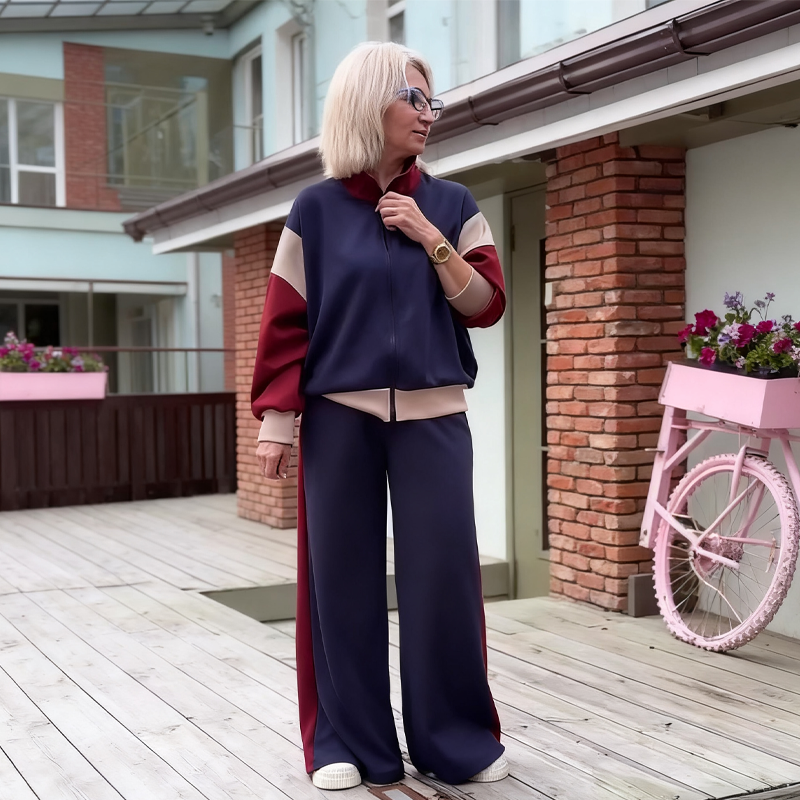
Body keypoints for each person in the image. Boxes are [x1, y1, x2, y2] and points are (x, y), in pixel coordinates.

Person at [252, 41, 508, 792]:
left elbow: (486, 306)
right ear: (369, 102)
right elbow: (286, 324)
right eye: (414, 99)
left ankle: (455, 740)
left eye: (433, 101)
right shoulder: (315, 211)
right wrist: (276, 421)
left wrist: (430, 239)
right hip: (340, 419)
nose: (430, 114)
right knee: (338, 581)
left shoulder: (454, 204)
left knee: (444, 580)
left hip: (435, 419)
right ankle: (345, 742)